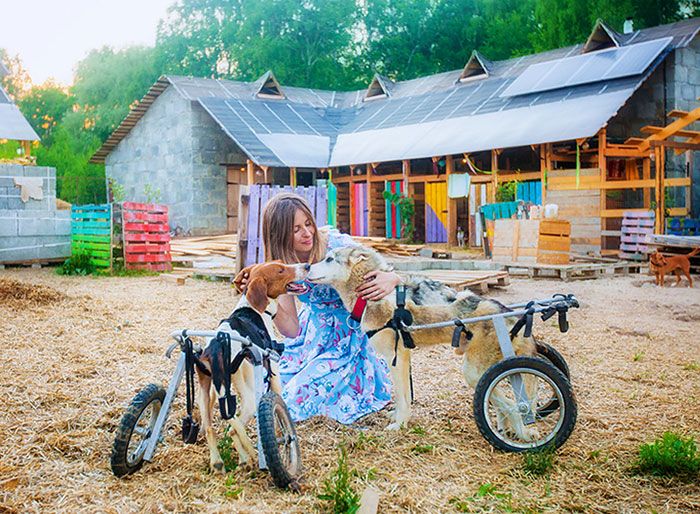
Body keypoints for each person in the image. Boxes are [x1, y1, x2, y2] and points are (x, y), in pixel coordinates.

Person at [242, 193, 401, 424]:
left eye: (308, 224)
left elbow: (378, 265)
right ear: (279, 235)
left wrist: (392, 277)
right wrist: (268, 300)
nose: (306, 233)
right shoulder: (282, 266)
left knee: (297, 395)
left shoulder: (337, 247)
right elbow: (291, 329)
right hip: (311, 336)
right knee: (269, 383)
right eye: (295, 229)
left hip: (349, 335)